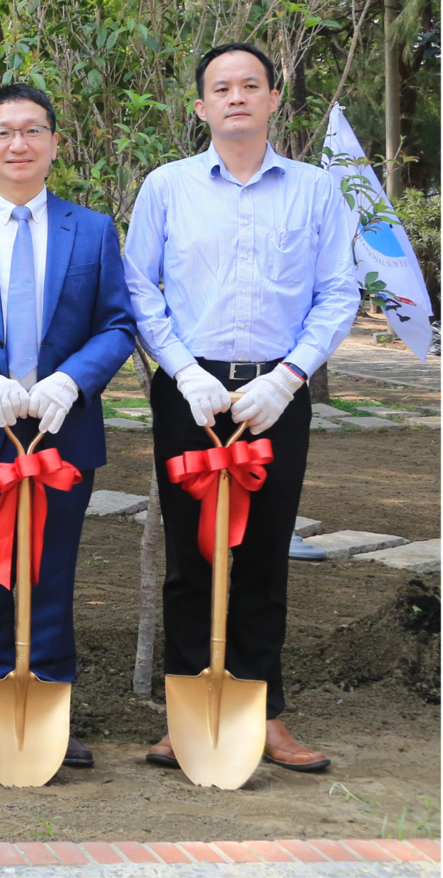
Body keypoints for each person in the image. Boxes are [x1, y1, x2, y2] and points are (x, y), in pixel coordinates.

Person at [124, 43, 354, 773]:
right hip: (188, 392)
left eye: (249, 85)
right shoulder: (166, 186)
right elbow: (138, 289)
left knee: (262, 553)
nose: (235, 98)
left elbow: (337, 292)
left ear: (272, 98)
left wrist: (287, 378)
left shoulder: (314, 190)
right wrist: (182, 371)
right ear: (199, 107)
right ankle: (186, 712)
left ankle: (266, 713)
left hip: (273, 394)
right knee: (193, 554)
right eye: (219, 88)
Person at [0, 83, 136, 770]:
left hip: (64, 431)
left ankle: (50, 713)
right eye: (3, 132)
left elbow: (117, 322)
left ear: (52, 144)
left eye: (31, 130)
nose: (18, 144)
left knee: (53, 571)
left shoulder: (91, 229)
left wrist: (71, 380)